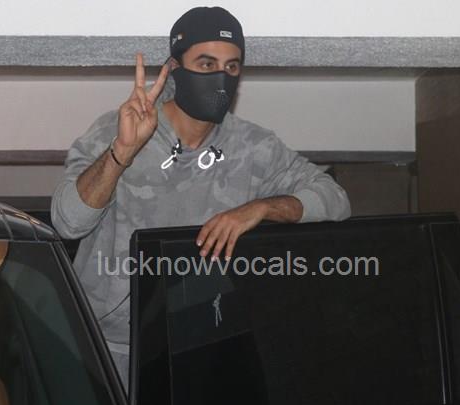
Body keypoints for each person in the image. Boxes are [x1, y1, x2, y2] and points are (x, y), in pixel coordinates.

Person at [51, 6, 351, 385]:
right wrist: (121, 153)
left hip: (189, 349)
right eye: (207, 65)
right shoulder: (118, 127)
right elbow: (67, 223)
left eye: (232, 67)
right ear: (175, 68)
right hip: (98, 347)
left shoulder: (254, 147)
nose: (221, 78)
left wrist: (262, 208)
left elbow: (336, 200)